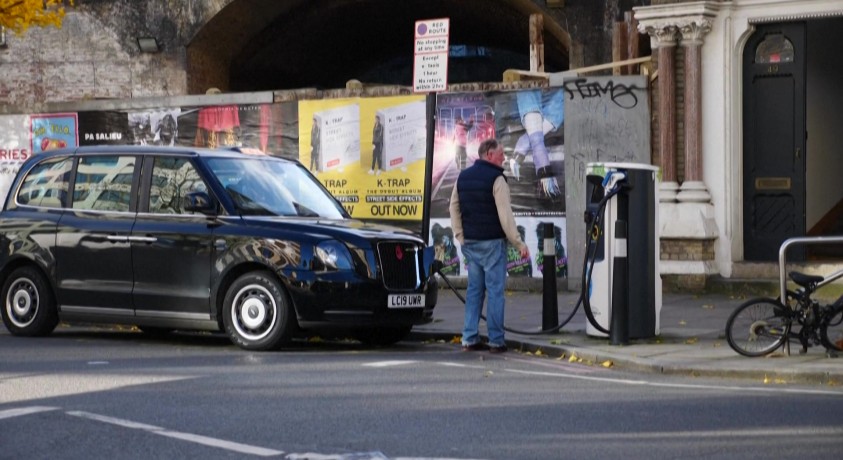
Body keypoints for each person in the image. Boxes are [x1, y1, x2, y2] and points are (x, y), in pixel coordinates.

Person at [449, 138, 530, 353]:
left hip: (471, 243)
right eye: (500, 153)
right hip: (493, 243)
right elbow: (505, 216)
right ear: (489, 154)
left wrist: (460, 235)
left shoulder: (463, 177)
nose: (503, 156)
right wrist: (518, 243)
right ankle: (495, 340)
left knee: (475, 291)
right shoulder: (497, 179)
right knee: (495, 292)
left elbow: (453, 207)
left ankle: (469, 337)